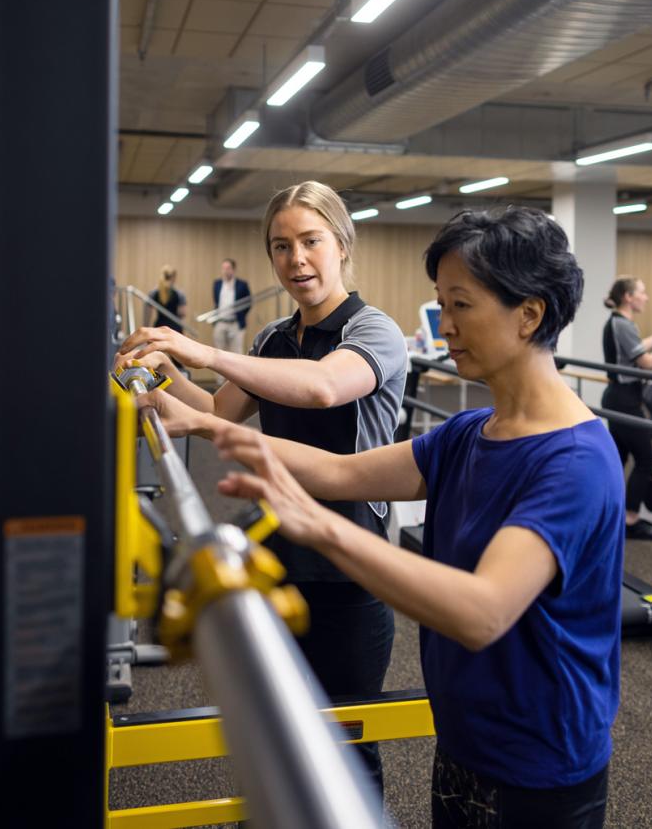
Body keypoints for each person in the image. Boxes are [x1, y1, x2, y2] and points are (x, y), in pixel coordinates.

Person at [140, 206, 621, 828]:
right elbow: (341, 472)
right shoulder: (469, 433)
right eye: (441, 305)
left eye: (461, 306)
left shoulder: (575, 460)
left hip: (540, 765)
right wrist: (216, 427)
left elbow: (482, 611)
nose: (443, 326)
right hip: (464, 741)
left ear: (529, 314)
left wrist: (321, 528)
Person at [116, 180, 408, 796]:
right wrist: (168, 379)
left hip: (351, 565)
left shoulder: (374, 331)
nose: (296, 259)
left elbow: (324, 387)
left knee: (349, 750)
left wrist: (204, 351)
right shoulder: (273, 340)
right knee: (281, 732)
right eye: (281, 246)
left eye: (310, 241)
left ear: (342, 244)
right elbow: (220, 412)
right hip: (278, 555)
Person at [601, 276, 652, 540]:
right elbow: (646, 362)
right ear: (628, 297)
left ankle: (608, 513)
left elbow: (635, 349)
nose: (646, 297)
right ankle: (630, 520)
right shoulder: (622, 324)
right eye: (642, 292)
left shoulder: (619, 322)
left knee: (620, 459)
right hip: (625, 400)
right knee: (646, 460)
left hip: (619, 397)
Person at [211, 259, 251, 357]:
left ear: (233, 270)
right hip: (220, 322)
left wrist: (240, 314)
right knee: (218, 354)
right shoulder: (217, 283)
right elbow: (216, 301)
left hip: (235, 323)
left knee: (236, 353)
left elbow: (248, 303)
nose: (225, 271)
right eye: (223, 268)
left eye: (228, 268)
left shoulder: (242, 284)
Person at [145, 265, 186, 332]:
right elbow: (182, 313)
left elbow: (147, 315)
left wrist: (146, 329)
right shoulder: (179, 294)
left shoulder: (153, 293)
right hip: (175, 329)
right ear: (174, 278)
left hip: (160, 328)